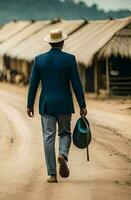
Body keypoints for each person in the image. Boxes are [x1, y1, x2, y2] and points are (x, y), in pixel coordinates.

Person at [27, 29, 87, 183]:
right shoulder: (69, 59)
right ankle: (63, 155)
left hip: (46, 105)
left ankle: (52, 175)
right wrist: (82, 104)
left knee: (48, 138)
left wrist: (29, 105)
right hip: (64, 104)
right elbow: (76, 84)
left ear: (49, 42)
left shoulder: (39, 60)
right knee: (65, 133)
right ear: (62, 42)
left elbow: (33, 85)